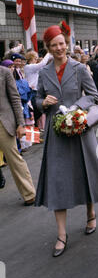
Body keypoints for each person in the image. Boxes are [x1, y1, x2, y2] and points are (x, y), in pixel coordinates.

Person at [35, 22, 98, 257]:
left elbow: (93, 95)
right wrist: (43, 104)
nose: (60, 48)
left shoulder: (80, 68)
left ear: (66, 44)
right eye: (54, 45)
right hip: (56, 134)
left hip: (79, 129)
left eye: (62, 43)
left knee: (84, 173)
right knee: (57, 180)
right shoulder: (44, 72)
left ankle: (91, 214)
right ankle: (61, 234)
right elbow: (37, 100)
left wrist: (75, 108)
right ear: (48, 47)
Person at [0, 65, 36, 204]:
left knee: (14, 158)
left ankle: (29, 193)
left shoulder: (4, 72)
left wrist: (21, 124)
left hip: (3, 122)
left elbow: (15, 99)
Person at [24, 50, 52, 128]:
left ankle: (36, 128)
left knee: (38, 111)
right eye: (35, 58)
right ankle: (34, 129)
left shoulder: (33, 67)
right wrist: (49, 53)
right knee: (35, 111)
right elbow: (42, 64)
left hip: (36, 91)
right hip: (31, 92)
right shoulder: (29, 66)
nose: (36, 60)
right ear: (30, 58)